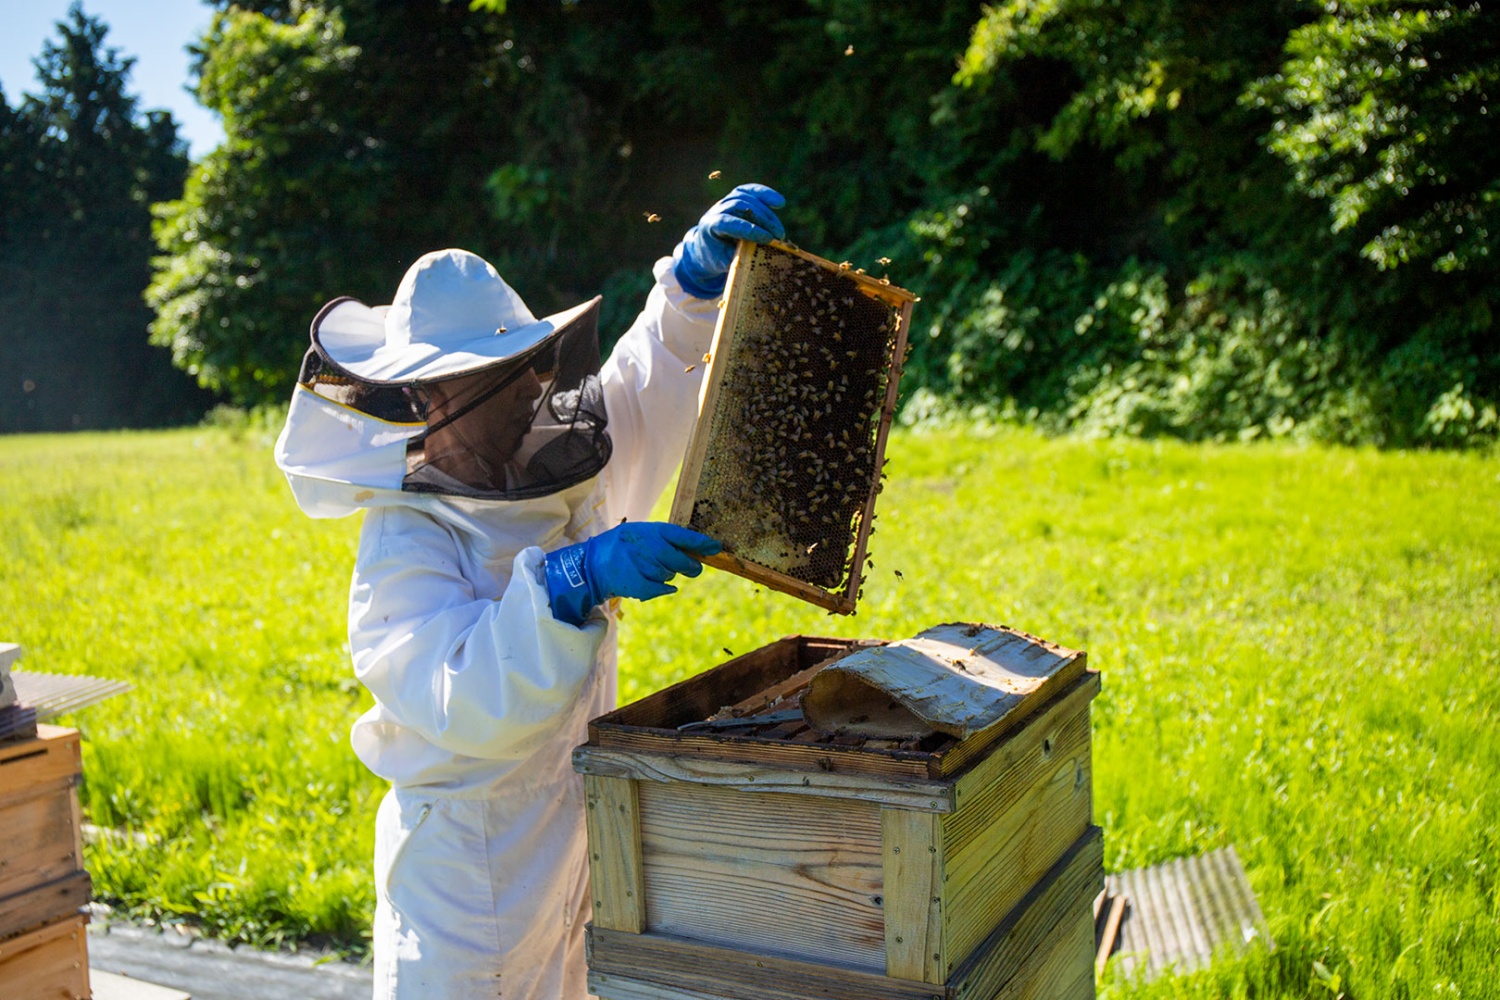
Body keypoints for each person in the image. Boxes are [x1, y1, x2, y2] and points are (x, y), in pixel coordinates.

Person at [273, 185, 787, 1000]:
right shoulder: (404, 544)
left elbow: (642, 391)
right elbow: (464, 695)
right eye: (496, 374)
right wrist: (571, 580)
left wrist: (689, 292)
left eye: (527, 363)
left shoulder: (557, 465)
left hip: (569, 846)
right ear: (427, 396)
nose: (525, 388)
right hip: (464, 887)